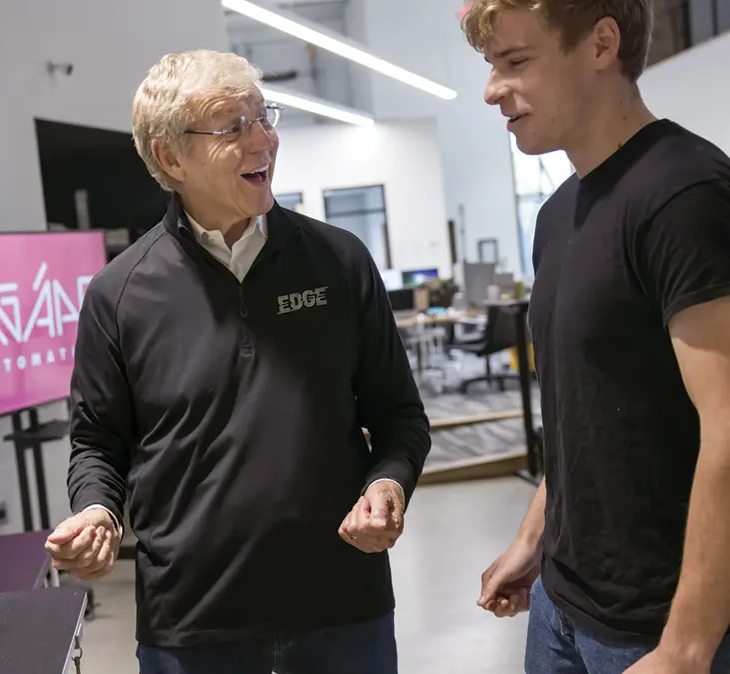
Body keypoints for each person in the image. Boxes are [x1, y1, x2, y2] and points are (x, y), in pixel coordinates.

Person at [43, 49, 431, 674]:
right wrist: (97, 509)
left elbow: (399, 415)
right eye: (233, 127)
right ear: (171, 158)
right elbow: (96, 442)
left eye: (263, 117)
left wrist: (388, 483)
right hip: (193, 625)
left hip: (343, 608)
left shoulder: (339, 261)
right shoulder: (118, 294)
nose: (264, 141)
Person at [460, 1, 730, 672]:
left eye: (515, 61)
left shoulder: (684, 194)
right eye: (491, 65)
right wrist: (534, 536)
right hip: (561, 602)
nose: (492, 89)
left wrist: (686, 646)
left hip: (658, 625)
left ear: (601, 44)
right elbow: (585, 408)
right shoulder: (556, 216)